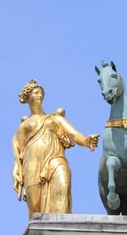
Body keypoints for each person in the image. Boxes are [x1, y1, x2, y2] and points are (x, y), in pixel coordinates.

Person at [12, 79, 99, 220]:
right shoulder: (23, 126)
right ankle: (37, 233)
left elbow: (74, 134)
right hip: (32, 163)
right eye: (36, 93)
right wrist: (16, 171)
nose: (40, 95)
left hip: (55, 158)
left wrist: (86, 140)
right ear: (27, 98)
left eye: (41, 93)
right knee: (35, 204)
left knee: (63, 185)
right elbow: (20, 154)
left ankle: (61, 227)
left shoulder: (54, 118)